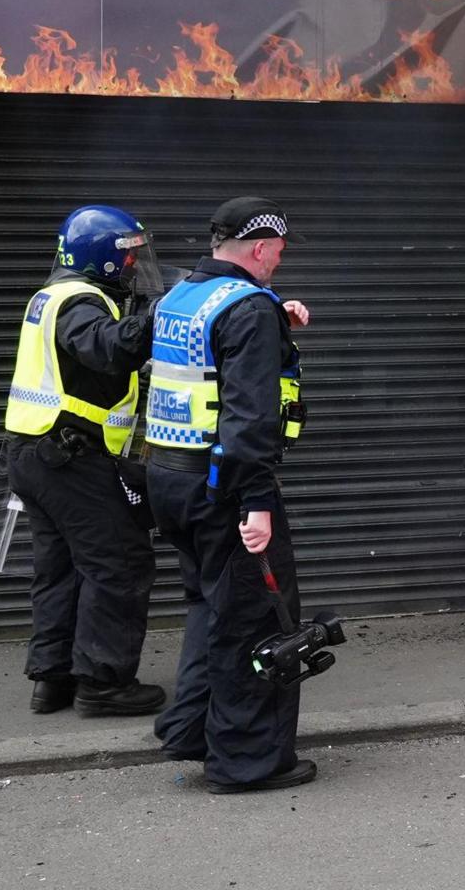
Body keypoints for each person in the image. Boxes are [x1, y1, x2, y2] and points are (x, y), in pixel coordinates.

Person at [143, 196, 318, 794]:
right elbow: (249, 421)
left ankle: (191, 729)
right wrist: (258, 503)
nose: (278, 262)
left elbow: (199, 363)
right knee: (251, 618)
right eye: (279, 252)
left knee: (207, 607)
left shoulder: (181, 295)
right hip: (224, 486)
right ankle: (245, 760)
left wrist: (275, 319)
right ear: (263, 248)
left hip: (169, 479)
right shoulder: (248, 309)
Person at [2, 205, 168, 716]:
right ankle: (104, 683)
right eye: (130, 255)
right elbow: (105, 349)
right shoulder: (80, 300)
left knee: (61, 570)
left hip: (39, 455)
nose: (137, 264)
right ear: (100, 257)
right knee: (119, 563)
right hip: (72, 455)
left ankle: (52, 680)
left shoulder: (51, 296)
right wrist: (159, 315)